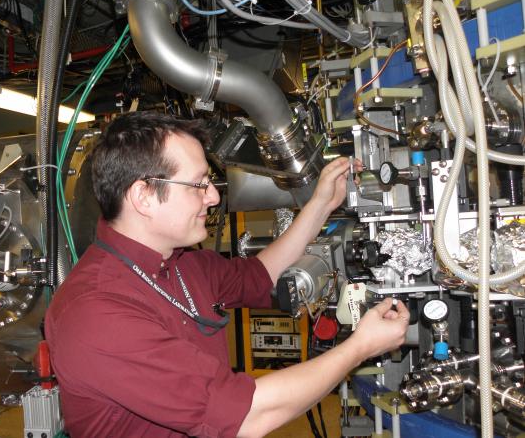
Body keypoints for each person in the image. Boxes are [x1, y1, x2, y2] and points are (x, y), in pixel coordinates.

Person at [44, 111, 409, 438]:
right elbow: (247, 415)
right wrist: (361, 346)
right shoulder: (94, 313)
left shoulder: (183, 262)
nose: (213, 198)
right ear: (143, 197)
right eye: (198, 184)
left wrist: (320, 206)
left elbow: (260, 274)